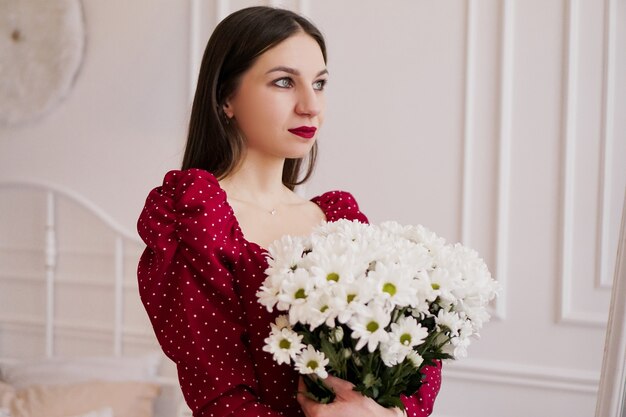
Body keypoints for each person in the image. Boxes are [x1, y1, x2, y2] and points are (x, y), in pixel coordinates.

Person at [136, 6, 442, 417]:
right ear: (226, 98)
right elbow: (219, 396)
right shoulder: (195, 221)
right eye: (284, 82)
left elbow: (407, 361)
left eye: (319, 84)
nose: (310, 106)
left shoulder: (339, 221)